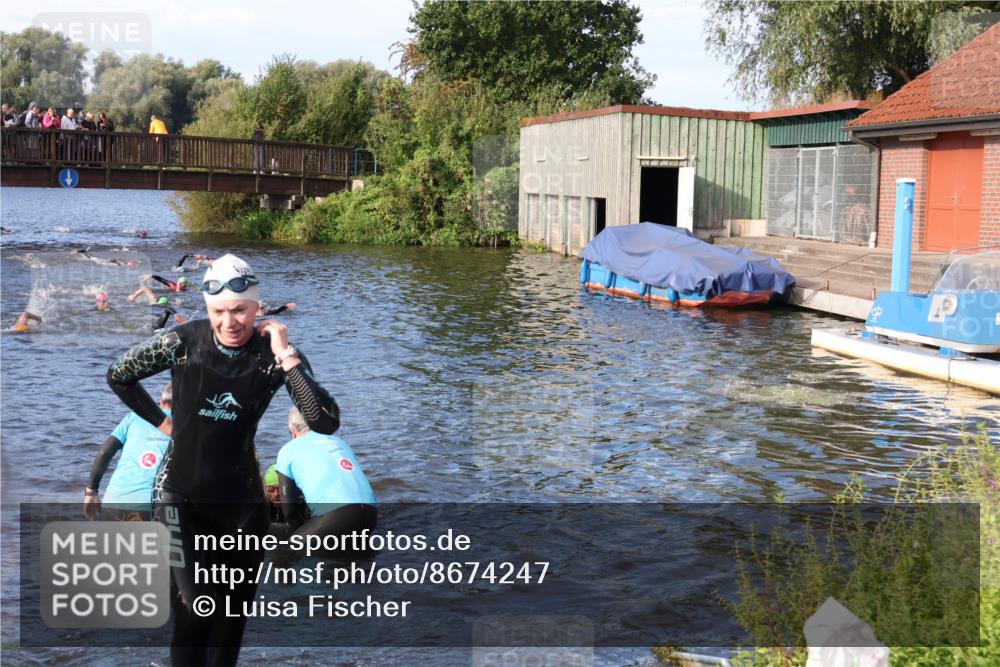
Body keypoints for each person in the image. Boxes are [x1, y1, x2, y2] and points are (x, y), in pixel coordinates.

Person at [106, 253, 338, 666]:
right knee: (194, 610)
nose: (229, 322)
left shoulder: (275, 355)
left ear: (257, 307)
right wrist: (163, 423)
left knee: (230, 623)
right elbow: (119, 376)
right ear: (207, 308)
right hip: (179, 497)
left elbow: (324, 421)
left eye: (239, 310)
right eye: (219, 311)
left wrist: (286, 355)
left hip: (242, 506)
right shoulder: (182, 342)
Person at [274, 407, 376, 537]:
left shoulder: (287, 450)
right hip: (371, 515)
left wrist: (301, 531)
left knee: (285, 548)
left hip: (337, 516)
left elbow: (289, 511)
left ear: (292, 431)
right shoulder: (340, 442)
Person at [84, 385, 173, 521]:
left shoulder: (134, 417)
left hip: (114, 502)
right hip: (151, 509)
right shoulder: (188, 426)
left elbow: (104, 452)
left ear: (161, 402)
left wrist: (91, 491)